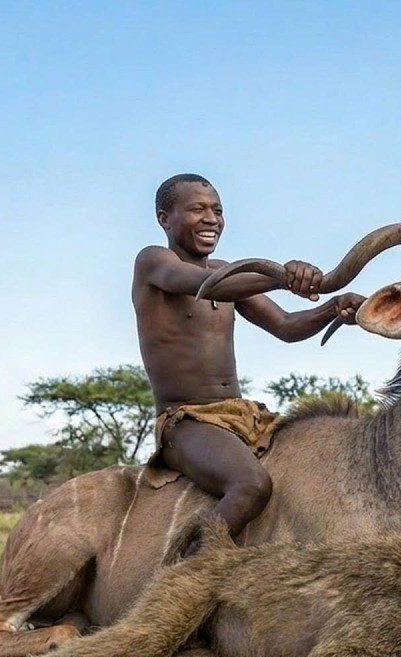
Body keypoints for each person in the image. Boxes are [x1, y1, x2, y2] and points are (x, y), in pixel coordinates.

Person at [134, 172, 364, 540]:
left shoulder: (226, 272)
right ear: (165, 218)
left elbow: (286, 325)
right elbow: (203, 285)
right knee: (250, 485)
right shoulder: (154, 262)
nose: (212, 219)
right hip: (188, 421)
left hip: (242, 414)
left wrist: (333, 307)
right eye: (197, 209)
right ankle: (185, 576)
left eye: (218, 210)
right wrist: (284, 277)